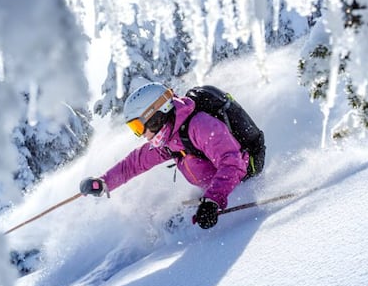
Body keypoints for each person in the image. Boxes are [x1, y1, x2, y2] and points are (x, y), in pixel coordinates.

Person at [79, 82, 264, 229]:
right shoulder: (168, 138)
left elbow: (232, 162)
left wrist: (212, 201)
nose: (141, 134)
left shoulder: (200, 126)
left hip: (241, 178)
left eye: (138, 126)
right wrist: (103, 183)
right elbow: (134, 163)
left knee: (191, 227)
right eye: (135, 129)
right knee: (168, 225)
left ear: (155, 116)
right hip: (215, 189)